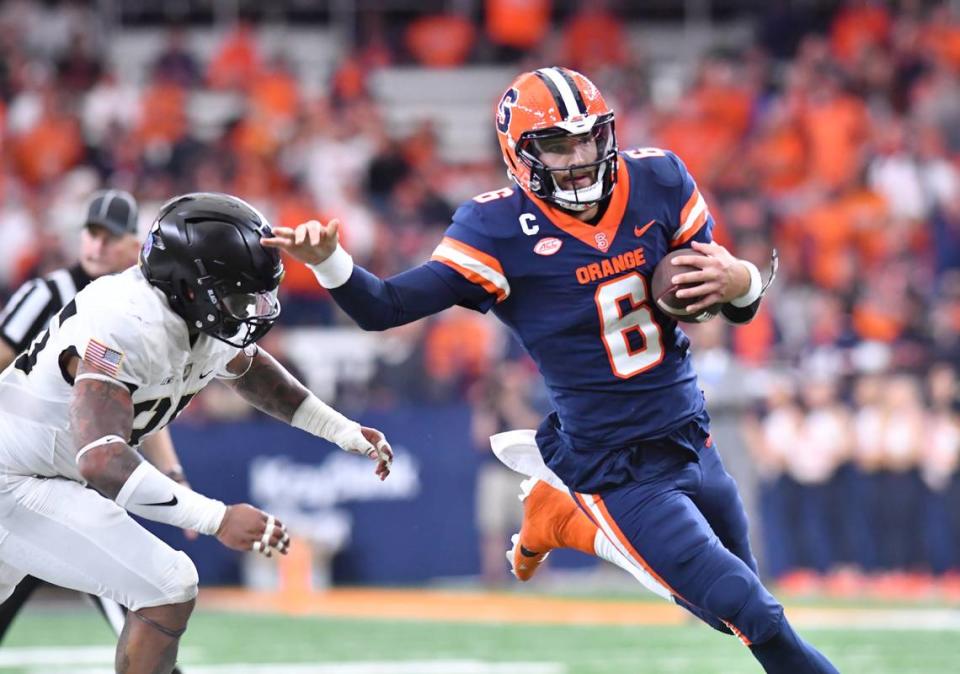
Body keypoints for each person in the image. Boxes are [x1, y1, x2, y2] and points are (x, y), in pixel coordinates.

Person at [264, 67, 839, 673]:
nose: (581, 156)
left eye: (590, 138)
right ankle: (580, 516)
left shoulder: (659, 179)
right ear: (520, 155)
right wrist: (331, 264)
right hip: (616, 466)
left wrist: (744, 279)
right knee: (758, 615)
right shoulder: (496, 230)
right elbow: (385, 308)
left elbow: (730, 305)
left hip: (691, 434)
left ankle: (567, 522)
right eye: (559, 145)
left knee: (732, 613)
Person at [0, 193, 392, 674]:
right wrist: (217, 517)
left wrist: (342, 430)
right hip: (16, 478)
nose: (250, 308)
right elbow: (101, 458)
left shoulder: (193, 315)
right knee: (168, 583)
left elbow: (252, 372)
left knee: (165, 585)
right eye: (237, 294)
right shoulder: (124, 321)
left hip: (40, 477)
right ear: (189, 287)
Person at [0, 190, 196, 666]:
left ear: (136, 245)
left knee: (146, 600)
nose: (98, 245)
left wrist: (171, 469)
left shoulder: (148, 306)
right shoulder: (45, 295)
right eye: (92, 233)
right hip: (26, 477)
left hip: (83, 484)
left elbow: (144, 408)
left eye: (112, 237)